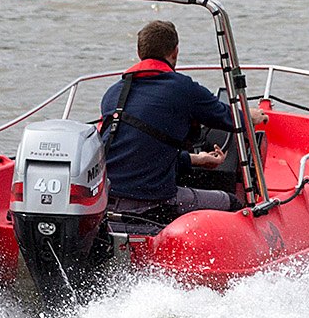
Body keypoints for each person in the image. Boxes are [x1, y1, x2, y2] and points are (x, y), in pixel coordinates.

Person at [98, 19, 259, 217]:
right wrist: (251, 116)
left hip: (105, 198)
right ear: (175, 52)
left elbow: (141, 150)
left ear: (139, 54)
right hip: (151, 200)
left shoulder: (113, 93)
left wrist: (197, 160)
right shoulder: (183, 89)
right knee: (232, 203)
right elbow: (230, 119)